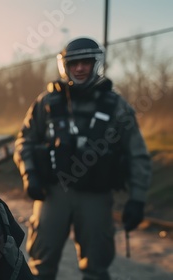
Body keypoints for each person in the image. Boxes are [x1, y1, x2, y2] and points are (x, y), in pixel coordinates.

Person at [13, 37, 151, 280]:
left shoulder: (116, 106)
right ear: (65, 65)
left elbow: (136, 154)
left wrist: (137, 199)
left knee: (96, 267)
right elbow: (24, 141)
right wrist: (30, 175)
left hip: (96, 196)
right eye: (74, 62)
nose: (79, 68)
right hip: (53, 193)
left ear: (95, 63)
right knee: (40, 265)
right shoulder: (47, 102)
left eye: (85, 62)